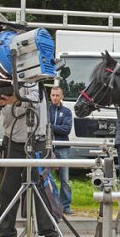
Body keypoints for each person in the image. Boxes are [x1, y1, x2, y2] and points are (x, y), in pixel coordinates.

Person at [0, 85, 59, 237]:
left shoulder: (33, 80)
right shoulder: (1, 80)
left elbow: (36, 102)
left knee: (41, 192)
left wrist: (16, 100)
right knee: (7, 192)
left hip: (36, 141)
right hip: (12, 142)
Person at [48, 86, 74, 214]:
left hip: (63, 147)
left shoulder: (67, 112)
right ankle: (53, 203)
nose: (55, 97)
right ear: (50, 96)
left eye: (57, 95)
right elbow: (42, 126)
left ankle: (66, 206)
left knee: (65, 178)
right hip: (48, 147)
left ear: (61, 96)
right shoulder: (46, 110)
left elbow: (66, 129)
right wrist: (55, 127)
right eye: (53, 95)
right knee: (47, 176)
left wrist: (51, 127)